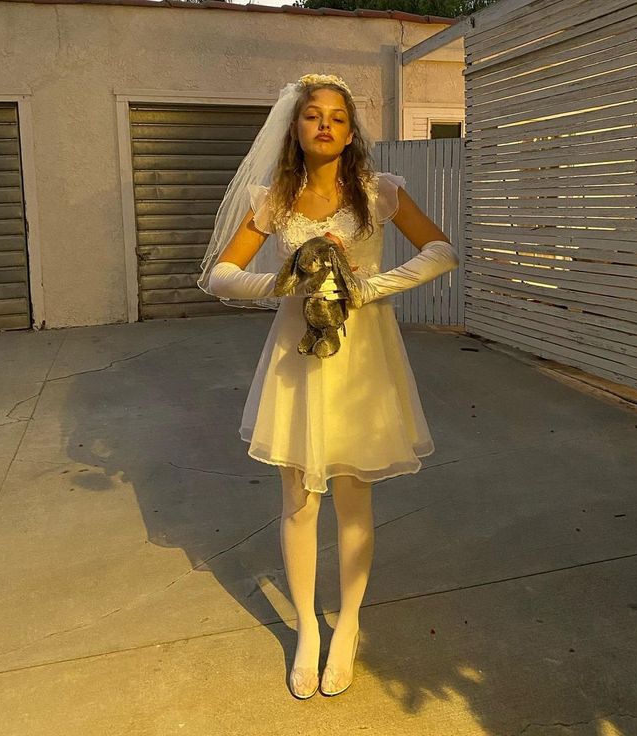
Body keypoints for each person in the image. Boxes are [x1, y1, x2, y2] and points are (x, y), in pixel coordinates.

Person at [197, 73, 459, 699]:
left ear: (350, 132)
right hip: (296, 358)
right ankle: (309, 631)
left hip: (363, 360)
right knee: (297, 503)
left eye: (338, 117)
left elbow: (442, 252)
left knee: (354, 501)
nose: (325, 125)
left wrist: (367, 287)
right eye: (314, 115)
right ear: (295, 127)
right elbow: (220, 276)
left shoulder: (379, 192)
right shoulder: (274, 200)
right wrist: (285, 283)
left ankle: (348, 629)